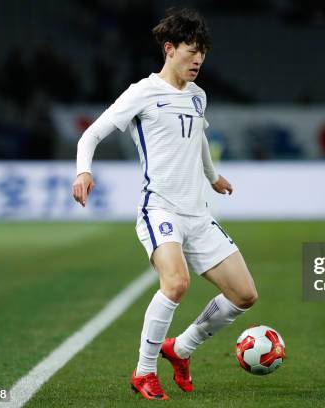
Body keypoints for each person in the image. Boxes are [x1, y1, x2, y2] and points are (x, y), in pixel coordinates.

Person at [72, 8, 257, 401]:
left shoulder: (197, 96)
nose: (198, 60)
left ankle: (182, 348)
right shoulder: (142, 92)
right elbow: (91, 134)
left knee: (244, 295)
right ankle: (144, 372)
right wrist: (83, 172)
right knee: (175, 284)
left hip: (198, 214)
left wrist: (212, 176)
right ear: (169, 49)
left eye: (203, 53)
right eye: (192, 51)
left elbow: (200, 139)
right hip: (160, 209)